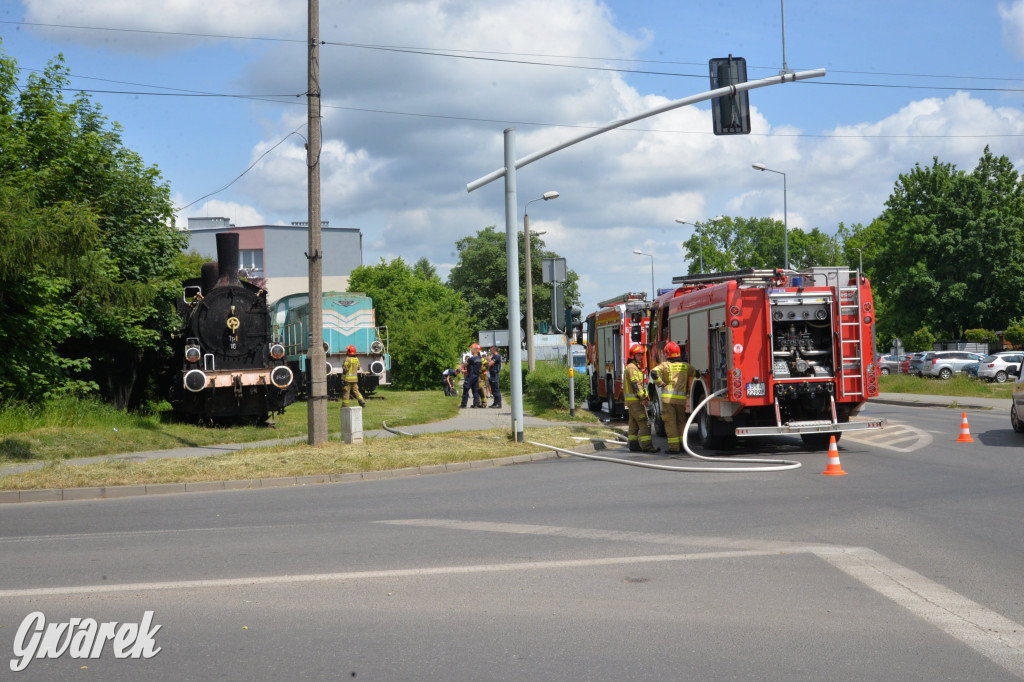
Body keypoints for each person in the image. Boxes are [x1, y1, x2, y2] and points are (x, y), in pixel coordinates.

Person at [649, 341, 696, 454]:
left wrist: (660, 384)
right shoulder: (685, 366)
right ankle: (683, 445)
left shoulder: (665, 365)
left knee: (670, 423)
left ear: (667, 354)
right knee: (681, 422)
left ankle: (674, 448)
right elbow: (697, 374)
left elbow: (653, 373)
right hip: (680, 401)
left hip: (667, 400)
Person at [623, 343, 659, 453]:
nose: (641, 357)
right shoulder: (632, 368)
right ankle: (647, 446)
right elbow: (635, 384)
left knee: (633, 423)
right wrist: (643, 397)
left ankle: (633, 445)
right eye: (638, 355)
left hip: (632, 401)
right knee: (644, 422)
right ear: (633, 356)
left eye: (641, 354)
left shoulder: (634, 367)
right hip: (635, 401)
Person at [460, 344, 483, 408]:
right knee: (475, 390)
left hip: (471, 375)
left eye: (471, 350)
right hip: (476, 375)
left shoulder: (471, 359)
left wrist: (466, 362)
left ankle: (463, 404)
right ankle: (476, 404)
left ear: (474, 351)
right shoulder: (480, 358)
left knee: (466, 388)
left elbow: (465, 365)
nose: (471, 351)